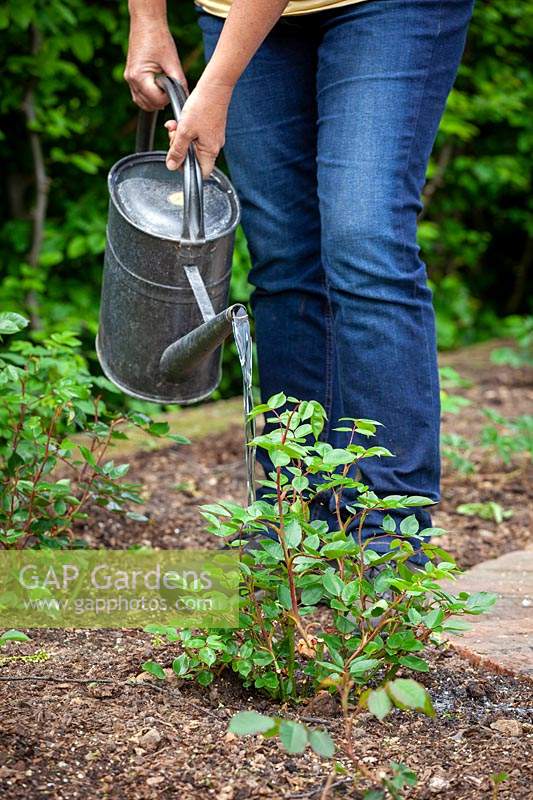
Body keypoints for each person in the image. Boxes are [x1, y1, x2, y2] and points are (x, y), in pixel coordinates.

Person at [125, 0, 474, 562]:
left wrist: (216, 87)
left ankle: (387, 531)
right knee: (284, 256)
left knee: (366, 241)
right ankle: (300, 510)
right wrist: (148, 20)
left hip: (392, 9)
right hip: (236, 10)